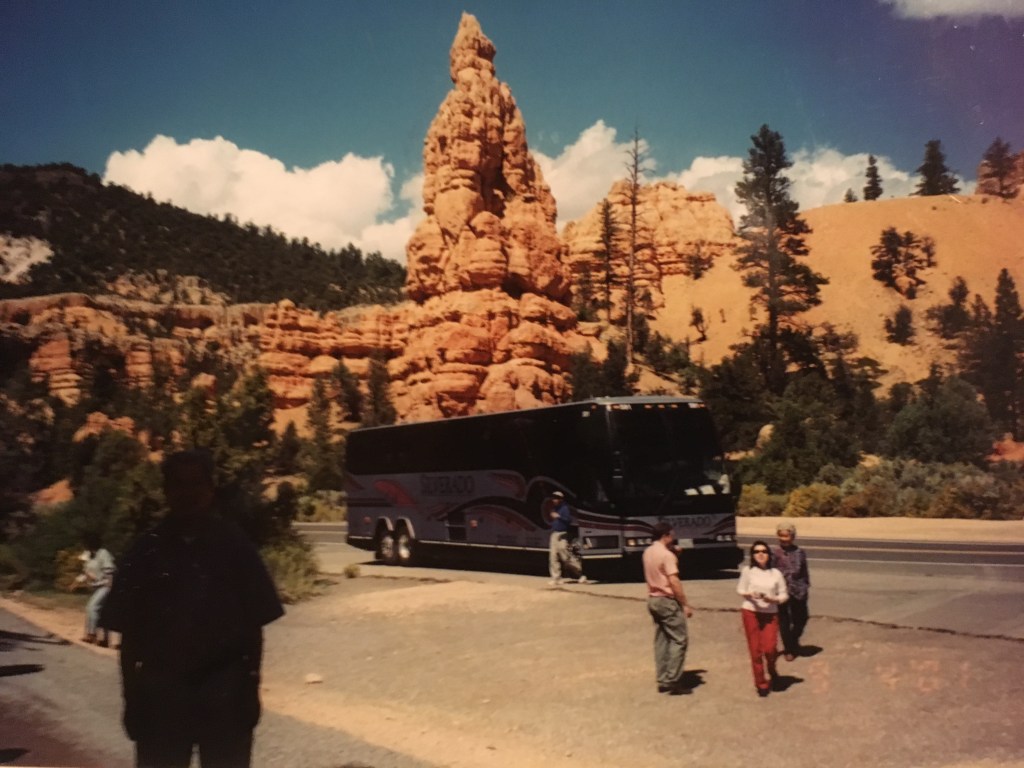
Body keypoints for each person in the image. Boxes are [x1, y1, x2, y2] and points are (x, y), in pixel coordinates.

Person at [101, 449, 285, 768]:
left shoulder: (235, 546)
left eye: (196, 483)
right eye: (179, 484)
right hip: (162, 696)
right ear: (167, 490)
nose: (189, 493)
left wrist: (250, 691)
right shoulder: (145, 551)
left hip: (224, 694)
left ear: (210, 489)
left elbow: (254, 629)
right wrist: (131, 700)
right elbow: (128, 641)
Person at [642, 522, 694, 694]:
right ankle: (674, 679)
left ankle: (663, 678)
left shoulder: (648, 552)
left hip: (653, 599)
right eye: (671, 535)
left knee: (662, 640)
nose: (673, 538)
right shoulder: (667, 556)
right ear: (666, 535)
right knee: (679, 639)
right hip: (667, 600)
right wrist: (685, 603)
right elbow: (674, 581)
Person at [737, 540, 788, 697]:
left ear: (769, 555)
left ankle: (772, 669)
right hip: (751, 612)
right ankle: (761, 683)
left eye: (764, 551)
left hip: (770, 613)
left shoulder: (776, 574)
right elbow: (740, 589)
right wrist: (749, 594)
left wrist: (773, 600)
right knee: (755, 651)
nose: (760, 554)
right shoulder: (748, 571)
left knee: (770, 648)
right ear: (752, 555)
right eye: (756, 551)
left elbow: (784, 594)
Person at [772, 522, 810, 661]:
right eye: (781, 536)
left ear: (793, 536)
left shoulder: (800, 552)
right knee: (784, 621)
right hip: (781, 591)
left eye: (787, 536)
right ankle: (789, 648)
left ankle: (793, 641)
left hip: (798, 590)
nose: (784, 539)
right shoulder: (774, 553)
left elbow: (805, 572)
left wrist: (805, 587)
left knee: (802, 618)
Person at [76, 533, 116, 647]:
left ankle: (91, 634)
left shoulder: (103, 553)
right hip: (96, 586)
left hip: (105, 585)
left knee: (92, 607)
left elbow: (109, 570)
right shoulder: (89, 555)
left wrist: (110, 586)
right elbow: (87, 572)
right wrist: (77, 582)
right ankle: (104, 639)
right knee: (102, 612)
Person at [546, 491, 585, 585]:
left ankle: (580, 574)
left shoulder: (565, 508)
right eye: (553, 498)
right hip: (554, 534)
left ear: (560, 499)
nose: (554, 499)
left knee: (565, 556)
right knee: (553, 557)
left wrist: (558, 516)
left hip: (562, 534)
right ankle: (556, 578)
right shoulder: (555, 508)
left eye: (556, 498)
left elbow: (568, 520)